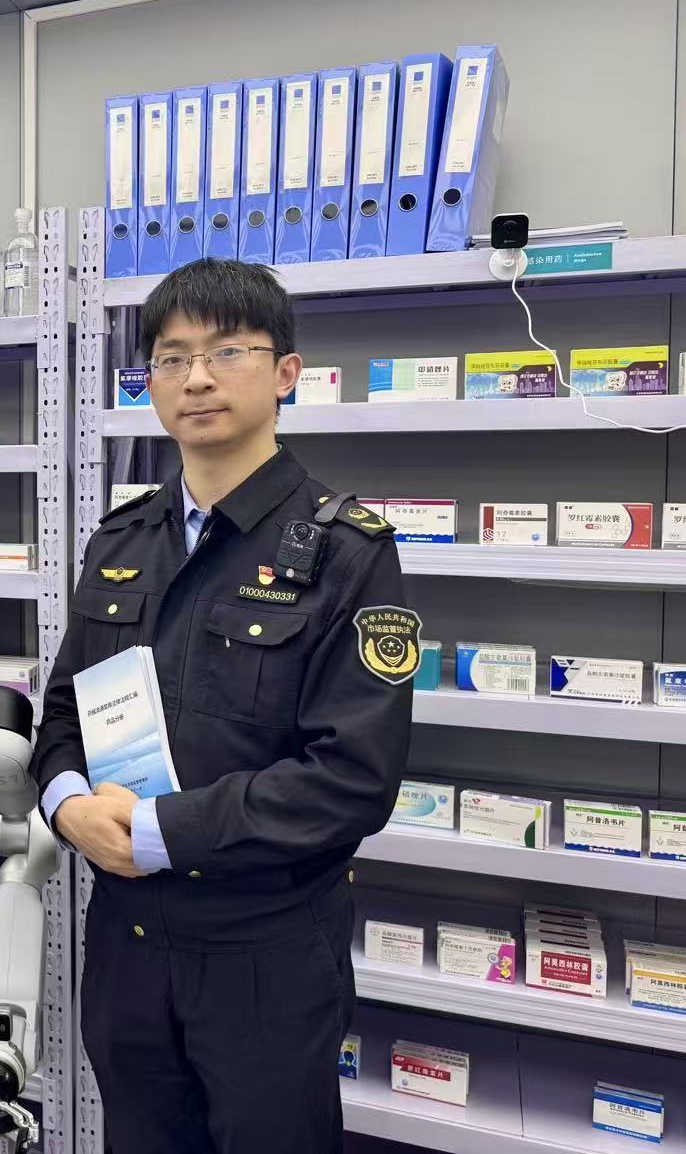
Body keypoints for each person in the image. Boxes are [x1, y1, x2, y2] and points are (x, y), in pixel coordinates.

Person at [31, 259, 413, 1153]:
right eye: (172, 358)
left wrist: (157, 831)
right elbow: (61, 721)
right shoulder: (120, 541)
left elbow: (352, 780)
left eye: (227, 351)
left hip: (265, 956)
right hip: (126, 943)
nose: (196, 377)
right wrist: (68, 806)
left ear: (286, 373)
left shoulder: (347, 552)